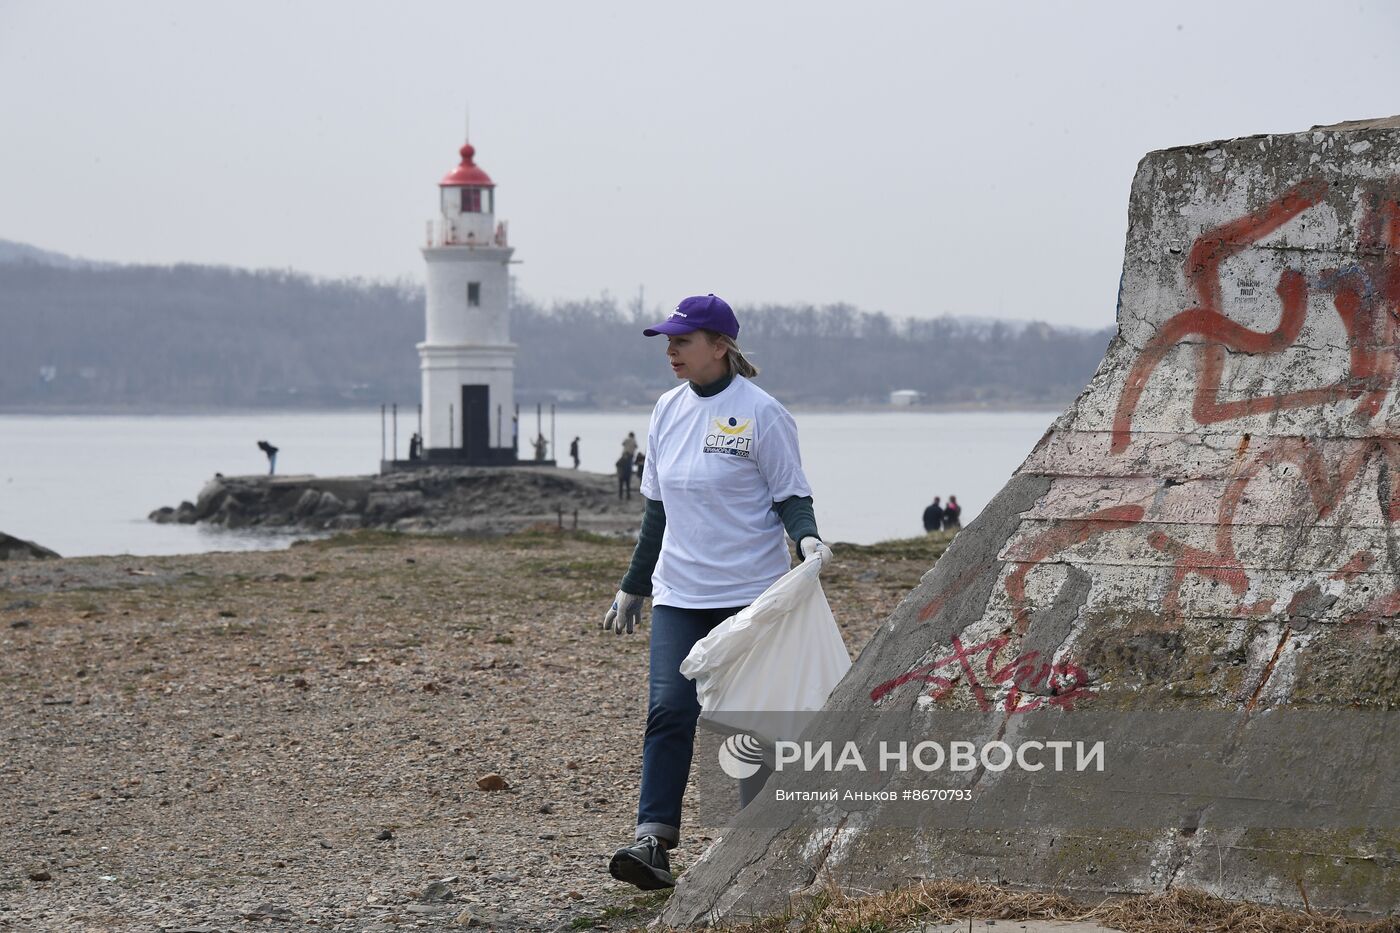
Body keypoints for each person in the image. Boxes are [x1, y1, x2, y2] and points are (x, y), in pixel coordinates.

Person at [601, 293, 833, 891]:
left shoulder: (763, 412)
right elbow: (657, 509)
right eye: (668, 341)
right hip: (679, 592)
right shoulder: (666, 411)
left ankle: (762, 847)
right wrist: (634, 587)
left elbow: (790, 494)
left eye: (683, 340)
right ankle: (653, 842)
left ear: (720, 345)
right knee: (670, 711)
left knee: (750, 720)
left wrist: (806, 541)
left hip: (751, 595)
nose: (671, 351)